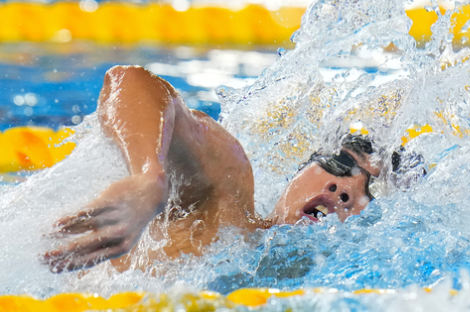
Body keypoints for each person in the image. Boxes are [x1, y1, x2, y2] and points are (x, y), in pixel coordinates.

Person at [43, 65, 387, 273]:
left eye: (369, 196)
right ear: (300, 170)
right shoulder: (227, 192)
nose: (344, 190)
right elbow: (129, 82)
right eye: (340, 165)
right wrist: (148, 178)